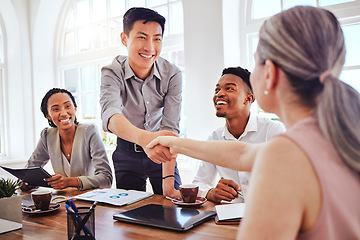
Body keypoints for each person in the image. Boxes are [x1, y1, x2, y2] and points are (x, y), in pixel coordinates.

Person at [147, 6, 360, 239]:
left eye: (256, 61)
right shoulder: (337, 135)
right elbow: (242, 154)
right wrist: (172, 143)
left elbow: (255, 156)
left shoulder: (284, 153)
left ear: (269, 73)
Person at [100, 7, 182, 195]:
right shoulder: (112, 72)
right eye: (142, 37)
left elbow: (170, 126)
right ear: (124, 39)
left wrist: (169, 185)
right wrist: (146, 140)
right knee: (129, 215)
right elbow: (111, 116)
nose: (150, 48)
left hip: (162, 151)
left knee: (174, 208)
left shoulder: (172, 74)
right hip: (127, 152)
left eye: (157, 39)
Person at [192, 67, 285, 203]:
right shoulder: (215, 138)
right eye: (217, 90)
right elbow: (199, 182)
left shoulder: (273, 131)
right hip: (229, 219)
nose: (219, 94)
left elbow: (288, 181)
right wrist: (210, 192)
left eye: (229, 88)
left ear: (248, 98)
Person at [23, 88, 113, 190]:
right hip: (63, 200)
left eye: (67, 106)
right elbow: (29, 171)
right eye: (56, 109)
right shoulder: (47, 136)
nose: (64, 113)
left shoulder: (90, 131)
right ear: (48, 115)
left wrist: (70, 181)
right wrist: (27, 182)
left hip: (90, 199)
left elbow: (106, 178)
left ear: (74, 108)